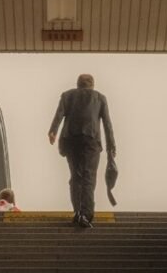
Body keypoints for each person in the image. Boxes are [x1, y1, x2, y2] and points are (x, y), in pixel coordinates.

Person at [48, 73, 116, 228]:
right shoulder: (100, 98)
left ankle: (78, 212)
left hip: (71, 140)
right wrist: (111, 147)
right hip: (91, 141)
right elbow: (107, 125)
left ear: (78, 83)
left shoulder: (67, 95)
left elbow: (59, 115)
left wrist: (52, 131)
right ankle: (86, 214)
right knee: (88, 176)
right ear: (92, 84)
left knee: (76, 176)